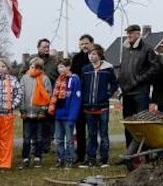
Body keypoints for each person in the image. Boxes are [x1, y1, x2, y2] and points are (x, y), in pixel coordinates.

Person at [117, 24, 158, 148]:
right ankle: (130, 153)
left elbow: (154, 68)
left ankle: (143, 153)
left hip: (140, 92)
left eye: (131, 33)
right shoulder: (126, 50)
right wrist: (121, 84)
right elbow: (122, 69)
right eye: (127, 33)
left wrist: (139, 79)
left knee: (141, 124)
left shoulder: (147, 49)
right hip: (127, 92)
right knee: (128, 124)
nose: (128, 35)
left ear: (138, 34)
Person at [78, 44, 118, 168]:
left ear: (99, 55)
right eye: (90, 54)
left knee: (104, 134)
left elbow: (114, 84)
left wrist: (107, 94)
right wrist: (84, 98)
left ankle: (104, 159)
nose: (91, 56)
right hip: (89, 106)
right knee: (91, 134)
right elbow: (82, 86)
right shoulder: (85, 69)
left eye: (94, 54)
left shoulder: (108, 69)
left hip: (103, 107)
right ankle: (90, 158)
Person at [0, 59, 22, 171]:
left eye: (3, 66)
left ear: (7, 68)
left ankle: (4, 162)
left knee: (5, 139)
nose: (0, 68)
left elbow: (19, 94)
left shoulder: (13, 80)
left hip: (7, 114)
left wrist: (13, 105)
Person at [18, 58, 53, 168]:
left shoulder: (45, 79)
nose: (34, 69)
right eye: (32, 67)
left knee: (39, 137)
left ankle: (38, 157)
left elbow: (47, 95)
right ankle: (25, 158)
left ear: (41, 68)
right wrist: (22, 110)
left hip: (39, 114)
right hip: (27, 113)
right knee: (27, 137)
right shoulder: (24, 78)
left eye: (37, 67)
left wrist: (43, 110)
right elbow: (21, 94)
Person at [50, 59, 81, 169]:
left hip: (68, 116)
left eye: (62, 67)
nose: (60, 70)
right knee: (58, 139)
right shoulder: (59, 80)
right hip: (58, 114)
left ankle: (69, 159)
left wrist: (73, 116)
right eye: (58, 68)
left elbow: (75, 99)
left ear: (68, 67)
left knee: (69, 140)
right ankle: (60, 158)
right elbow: (55, 98)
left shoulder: (74, 80)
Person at [70, 35, 93, 164]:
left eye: (86, 43)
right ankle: (80, 154)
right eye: (82, 44)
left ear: (91, 44)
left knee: (92, 128)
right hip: (79, 97)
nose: (84, 46)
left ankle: (91, 154)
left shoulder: (96, 57)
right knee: (79, 128)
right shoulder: (76, 59)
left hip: (92, 98)